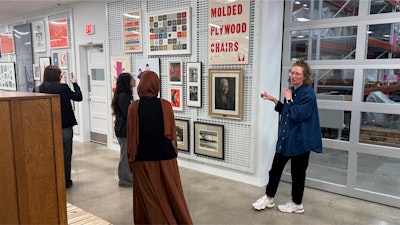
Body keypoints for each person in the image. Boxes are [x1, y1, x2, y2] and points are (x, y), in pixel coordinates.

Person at [252, 58, 322, 213]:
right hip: (286, 139)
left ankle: (297, 204)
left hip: (300, 142)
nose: (293, 76)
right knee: (275, 170)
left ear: (305, 77)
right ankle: (269, 198)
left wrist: (289, 99)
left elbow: (297, 114)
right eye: (292, 72)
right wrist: (274, 100)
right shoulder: (293, 91)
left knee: (298, 175)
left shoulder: (308, 94)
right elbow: (288, 111)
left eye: (298, 73)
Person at [126, 71, 193, 224]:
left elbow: (131, 138)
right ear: (156, 85)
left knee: (149, 200)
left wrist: (131, 159)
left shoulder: (133, 108)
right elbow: (171, 135)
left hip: (142, 160)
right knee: (172, 196)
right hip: (166, 159)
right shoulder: (165, 105)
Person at [39, 65, 82, 189]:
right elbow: (78, 97)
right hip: (64, 126)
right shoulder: (63, 88)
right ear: (57, 76)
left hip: (46, 128)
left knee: (49, 155)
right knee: (66, 154)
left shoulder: (38, 89)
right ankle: (65, 181)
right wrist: (75, 84)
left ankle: (51, 179)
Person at [111, 72, 136, 187]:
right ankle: (125, 180)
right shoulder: (123, 96)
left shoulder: (125, 95)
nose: (134, 80)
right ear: (127, 82)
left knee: (127, 154)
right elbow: (128, 113)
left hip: (125, 129)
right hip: (123, 129)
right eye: (132, 79)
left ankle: (128, 177)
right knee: (125, 155)